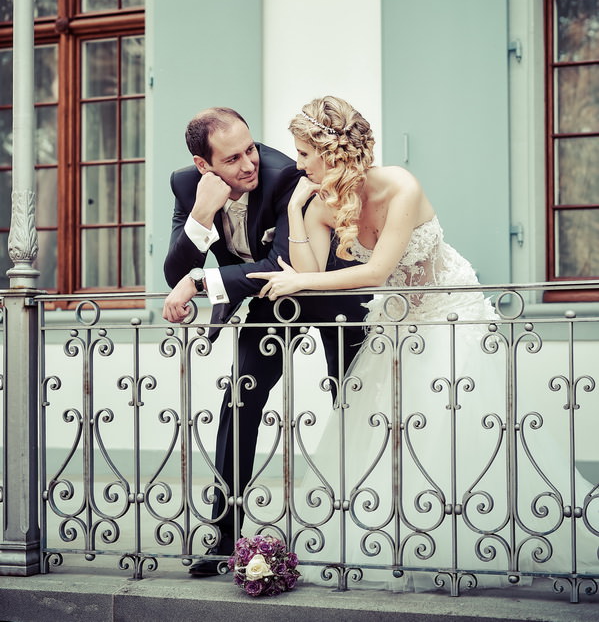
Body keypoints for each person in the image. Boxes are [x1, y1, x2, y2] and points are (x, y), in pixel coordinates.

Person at [248, 96, 599, 591]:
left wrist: (302, 284)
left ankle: (475, 536)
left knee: (454, 421)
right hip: (398, 317)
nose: (298, 163)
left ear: (330, 151)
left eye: (304, 152)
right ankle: (403, 537)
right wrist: (293, 210)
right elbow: (310, 274)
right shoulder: (322, 204)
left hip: (449, 309)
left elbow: (373, 271)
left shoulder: (400, 186)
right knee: (388, 426)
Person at [162, 107, 367, 575]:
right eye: (232, 159)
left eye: (250, 149)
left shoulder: (283, 175)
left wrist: (199, 282)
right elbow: (175, 272)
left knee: (353, 401)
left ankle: (366, 527)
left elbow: (280, 264)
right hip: (271, 304)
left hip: (330, 291)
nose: (249, 163)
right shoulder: (186, 186)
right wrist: (201, 213)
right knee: (240, 401)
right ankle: (224, 534)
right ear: (204, 165)